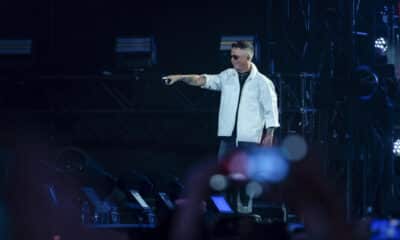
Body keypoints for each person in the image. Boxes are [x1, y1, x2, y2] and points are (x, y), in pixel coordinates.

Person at [163, 41, 280, 159]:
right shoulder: (227, 76)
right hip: (227, 139)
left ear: (248, 58)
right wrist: (180, 77)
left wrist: (269, 135)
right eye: (231, 56)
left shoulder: (262, 82)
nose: (232, 60)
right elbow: (201, 80)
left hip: (249, 140)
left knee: (249, 174)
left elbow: (271, 110)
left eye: (236, 57)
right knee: (223, 173)